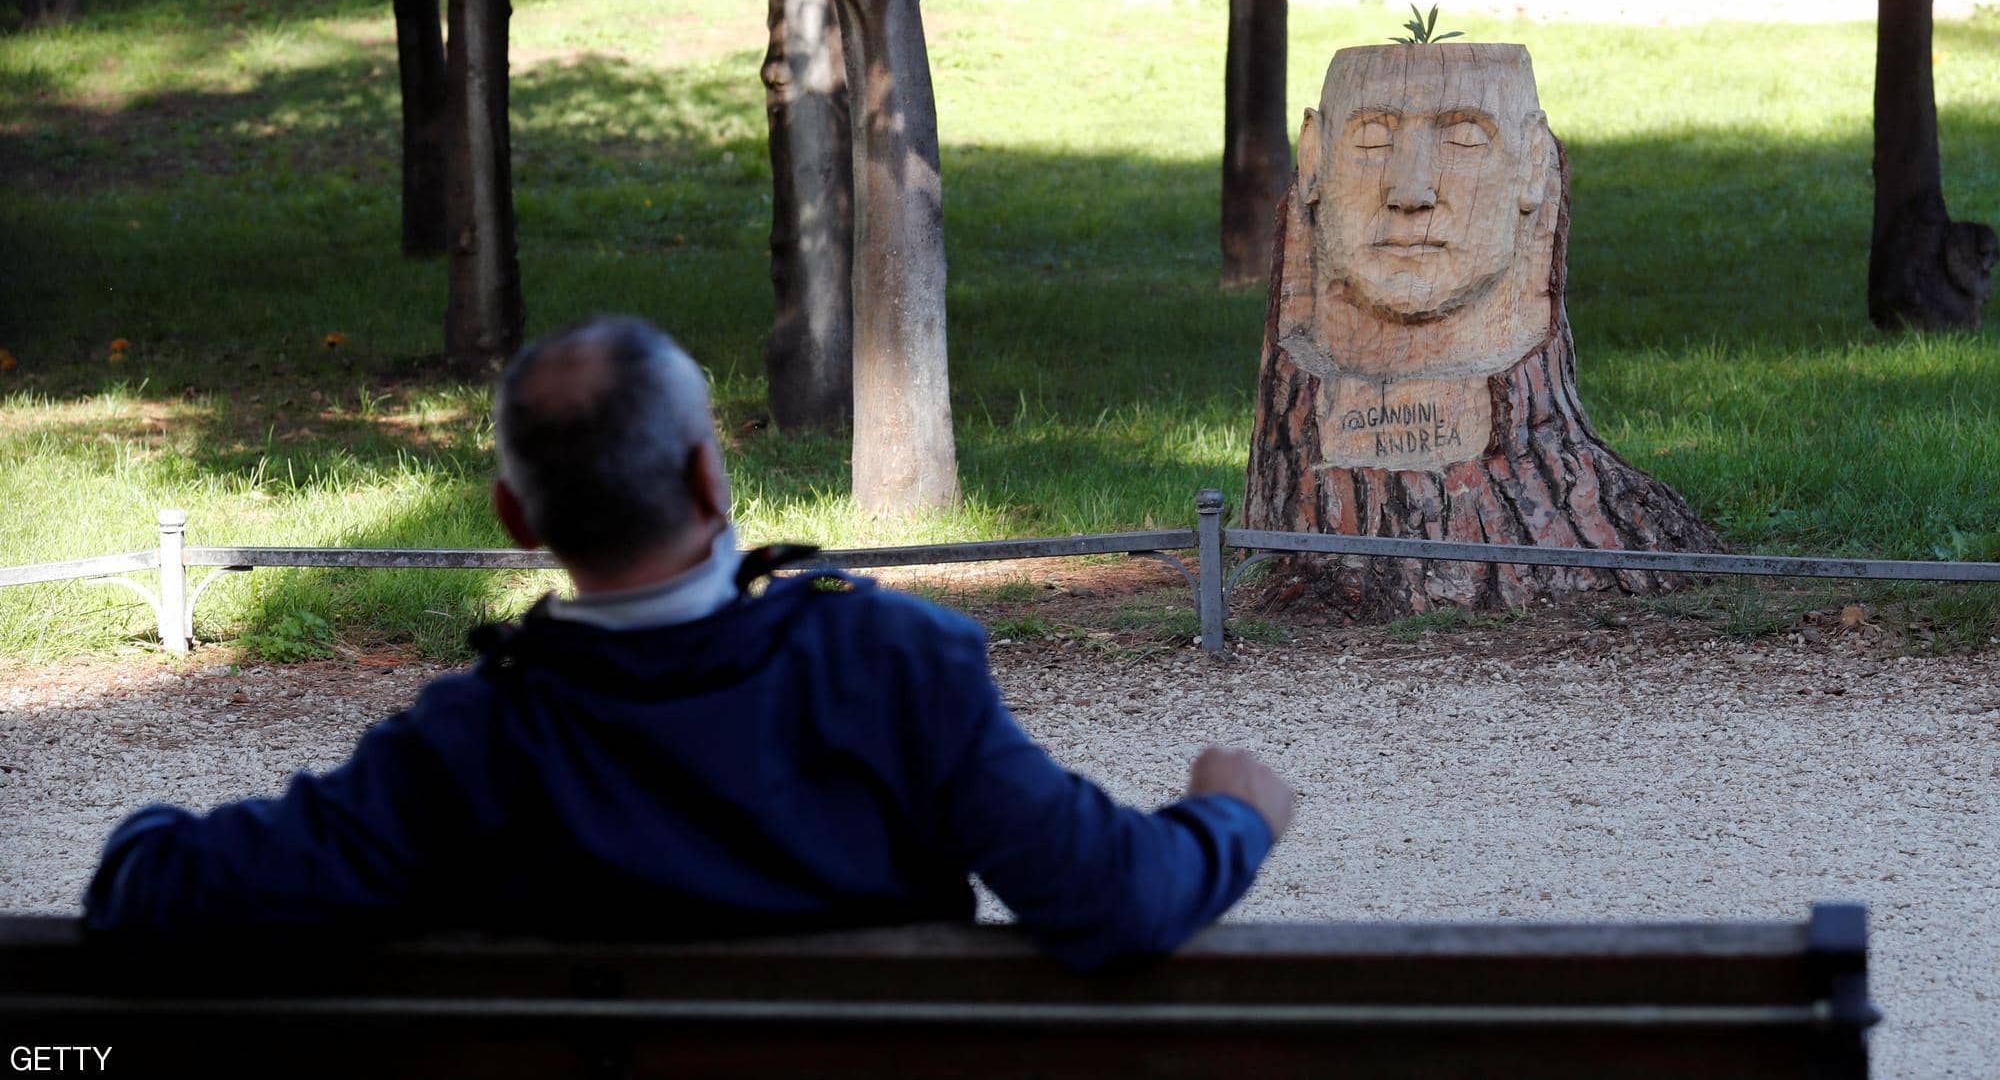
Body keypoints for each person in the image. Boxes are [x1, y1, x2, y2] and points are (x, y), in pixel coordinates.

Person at [84, 315, 1295, 970]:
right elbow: (1116, 902)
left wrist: (142, 835)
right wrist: (1231, 810)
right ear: (710, 475)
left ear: (515, 518)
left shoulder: (468, 743)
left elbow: (150, 898)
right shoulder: (894, 669)